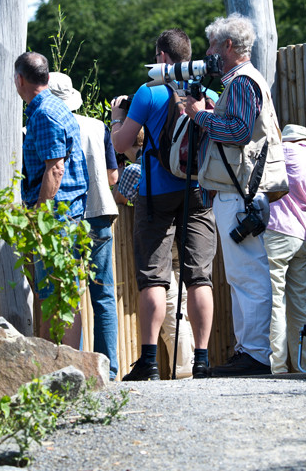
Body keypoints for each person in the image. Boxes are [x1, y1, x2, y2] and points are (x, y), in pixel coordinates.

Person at [185, 13, 288, 377]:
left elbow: (240, 132)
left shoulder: (242, 82)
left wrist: (199, 115)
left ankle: (256, 356)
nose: (209, 52)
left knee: (249, 277)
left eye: (213, 44)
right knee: (246, 276)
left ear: (228, 46)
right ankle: (250, 351)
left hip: (238, 194)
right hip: (241, 193)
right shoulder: (245, 81)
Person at [111, 28, 217, 381]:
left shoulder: (149, 91)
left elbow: (124, 141)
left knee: (153, 278)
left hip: (156, 193)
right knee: (199, 277)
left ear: (161, 57)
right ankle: (201, 360)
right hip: (198, 190)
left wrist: (115, 121)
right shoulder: (207, 92)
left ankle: (149, 362)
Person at [48, 72, 120, 380]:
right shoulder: (98, 126)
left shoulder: (41, 126)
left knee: (66, 294)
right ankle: (109, 369)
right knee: (103, 294)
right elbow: (114, 177)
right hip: (100, 212)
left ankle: (71, 368)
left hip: (63, 218)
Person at [14, 52, 88, 350]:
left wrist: (38, 218)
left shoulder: (43, 113)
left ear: (20, 80)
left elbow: (54, 168)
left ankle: (57, 368)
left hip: (56, 216)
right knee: (63, 293)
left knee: (53, 295)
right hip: (66, 213)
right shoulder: (56, 107)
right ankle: (69, 364)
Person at [112, 133, 195, 379]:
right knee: (180, 308)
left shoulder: (135, 169)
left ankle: (183, 371)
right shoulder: (166, 162)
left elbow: (120, 198)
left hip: (161, 250)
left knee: (171, 312)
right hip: (182, 246)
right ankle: (189, 365)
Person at [264, 124, 306, 373]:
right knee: (300, 304)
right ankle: (304, 366)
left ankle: (277, 366)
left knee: (275, 300)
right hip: (303, 236)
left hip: (277, 231)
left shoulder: (282, 151)